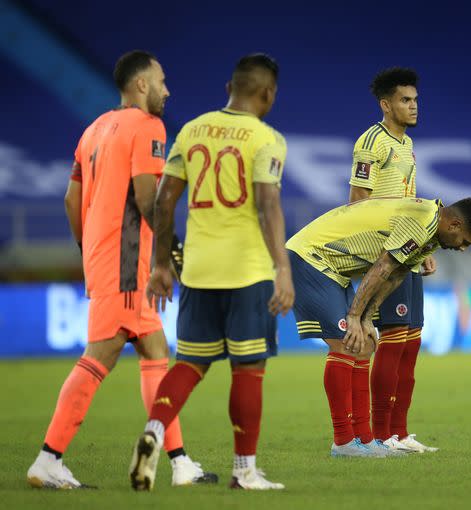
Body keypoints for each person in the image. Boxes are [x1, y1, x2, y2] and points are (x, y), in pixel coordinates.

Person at [26, 50, 215, 490]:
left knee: (154, 351)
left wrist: (86, 246)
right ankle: (48, 458)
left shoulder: (92, 130)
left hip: (104, 255)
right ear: (142, 85)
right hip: (127, 260)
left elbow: (72, 200)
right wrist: (169, 252)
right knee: (100, 356)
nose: (168, 90)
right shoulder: (148, 126)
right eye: (162, 80)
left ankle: (180, 462)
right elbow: (149, 198)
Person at [128, 53, 294, 492]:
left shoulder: (192, 129)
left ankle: (155, 432)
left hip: (198, 271)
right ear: (267, 94)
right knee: (248, 368)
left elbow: (163, 202)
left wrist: (162, 265)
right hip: (247, 271)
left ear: (228, 89)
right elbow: (267, 204)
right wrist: (283, 267)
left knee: (190, 364)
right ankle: (245, 471)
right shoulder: (267, 138)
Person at [286, 196, 471, 457]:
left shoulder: (430, 233)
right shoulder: (421, 222)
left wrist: (368, 316)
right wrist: (354, 317)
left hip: (332, 268)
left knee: (366, 344)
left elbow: (396, 275)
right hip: (310, 258)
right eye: (465, 241)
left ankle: (364, 440)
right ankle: (343, 441)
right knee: (346, 342)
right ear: (454, 225)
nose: (462, 248)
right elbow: (383, 267)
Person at [348, 67, 437, 453]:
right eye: (405, 100)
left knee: (411, 344)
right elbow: (356, 204)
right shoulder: (372, 142)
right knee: (393, 341)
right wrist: (384, 252)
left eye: (415, 99)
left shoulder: (406, 144)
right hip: (385, 257)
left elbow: (410, 204)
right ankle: (382, 435)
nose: (413, 106)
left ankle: (399, 433)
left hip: (408, 253)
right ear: (386, 105)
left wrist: (425, 247)